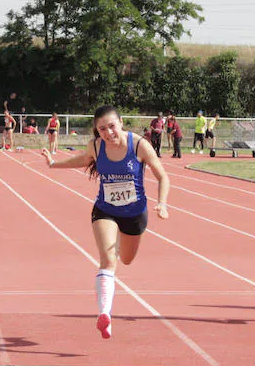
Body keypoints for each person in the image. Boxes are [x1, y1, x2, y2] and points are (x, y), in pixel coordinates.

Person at [41, 105, 169, 339]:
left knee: (127, 260)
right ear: (97, 132)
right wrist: (53, 164)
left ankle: (119, 244)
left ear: (121, 123)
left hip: (134, 213)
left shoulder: (139, 145)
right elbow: (82, 160)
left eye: (111, 126)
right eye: (102, 129)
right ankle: (104, 315)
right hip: (105, 210)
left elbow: (162, 176)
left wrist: (162, 202)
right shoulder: (97, 146)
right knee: (108, 261)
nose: (108, 133)